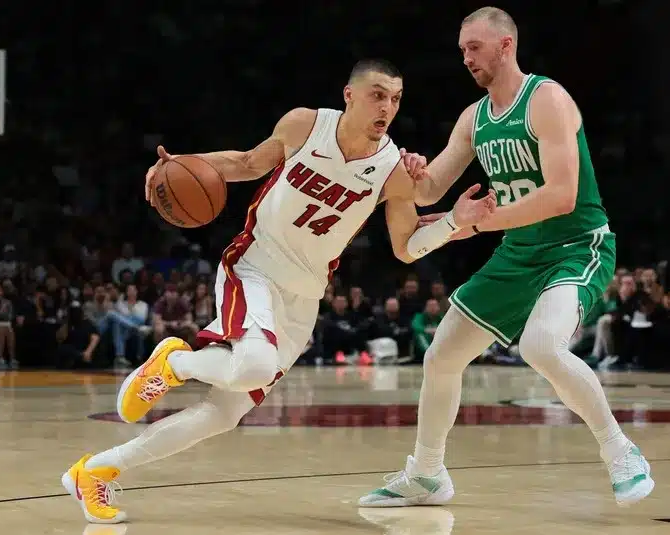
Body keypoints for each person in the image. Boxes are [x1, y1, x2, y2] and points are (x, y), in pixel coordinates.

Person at [61, 58, 497, 524]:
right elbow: (247, 163)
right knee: (253, 364)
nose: (386, 106)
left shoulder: (393, 169)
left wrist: (456, 222)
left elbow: (407, 248)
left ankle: (97, 472)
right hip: (253, 267)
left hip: (303, 297)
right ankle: (174, 363)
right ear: (348, 95)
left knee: (223, 414)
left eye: (394, 98)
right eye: (376, 94)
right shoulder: (305, 124)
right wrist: (183, 165)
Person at [358, 7, 653, 509]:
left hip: (576, 246)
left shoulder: (547, 99)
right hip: (518, 252)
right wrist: (413, 171)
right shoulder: (475, 119)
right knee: (442, 354)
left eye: (474, 47)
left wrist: (478, 222)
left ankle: (620, 449)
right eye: (461, 50)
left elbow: (562, 195)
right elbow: (430, 190)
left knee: (541, 345)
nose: (466, 57)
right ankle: (427, 474)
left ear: (505, 45)